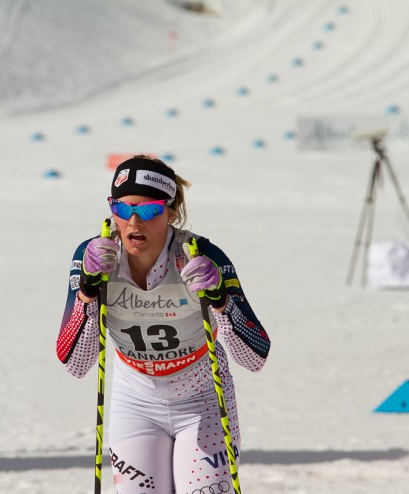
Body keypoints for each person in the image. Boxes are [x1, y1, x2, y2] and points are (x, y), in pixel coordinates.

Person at [56, 156, 271, 494]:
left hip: (202, 401)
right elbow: (76, 364)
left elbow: (254, 358)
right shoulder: (94, 256)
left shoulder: (198, 254)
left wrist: (221, 300)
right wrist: (86, 292)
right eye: (123, 209)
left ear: (170, 213)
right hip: (136, 402)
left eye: (149, 210)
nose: (133, 222)